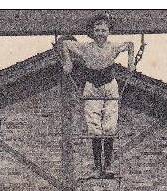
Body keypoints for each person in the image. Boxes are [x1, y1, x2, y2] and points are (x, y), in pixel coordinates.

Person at [55, 14, 135, 177]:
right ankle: (97, 167)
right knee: (94, 127)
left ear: (108, 32)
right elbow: (64, 44)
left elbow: (130, 45)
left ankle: (108, 165)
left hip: (109, 85)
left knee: (110, 126)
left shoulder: (113, 47)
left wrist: (131, 62)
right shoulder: (85, 47)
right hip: (92, 86)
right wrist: (67, 62)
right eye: (97, 30)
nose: (100, 34)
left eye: (104, 30)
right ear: (92, 32)